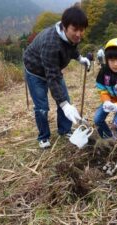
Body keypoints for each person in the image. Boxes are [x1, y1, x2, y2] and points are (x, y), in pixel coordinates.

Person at [23, 6, 90, 149]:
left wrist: (80, 58)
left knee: (65, 99)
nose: (78, 34)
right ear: (65, 26)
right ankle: (43, 137)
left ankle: (64, 130)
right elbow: (52, 77)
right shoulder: (51, 43)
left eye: (82, 29)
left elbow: (72, 48)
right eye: (75, 29)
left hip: (53, 69)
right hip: (35, 71)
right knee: (42, 107)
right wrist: (64, 105)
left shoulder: (72, 37)